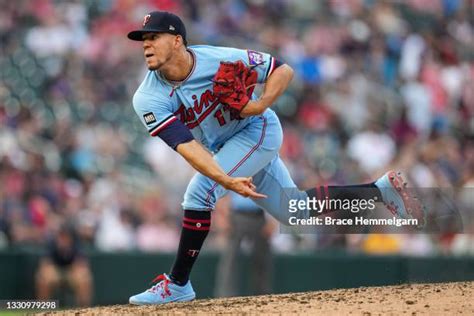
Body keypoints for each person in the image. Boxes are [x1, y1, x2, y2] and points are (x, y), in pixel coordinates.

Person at [126, 11, 423, 305]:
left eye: (154, 37)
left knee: (198, 193)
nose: (146, 45)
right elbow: (187, 146)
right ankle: (380, 190)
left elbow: (283, 70)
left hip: (257, 130)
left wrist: (259, 104)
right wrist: (226, 180)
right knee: (297, 213)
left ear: (177, 40)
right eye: (143, 40)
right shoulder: (147, 98)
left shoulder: (218, 59)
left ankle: (178, 283)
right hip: (226, 148)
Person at [215, 192, 275, 297]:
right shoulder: (233, 174)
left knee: (262, 257)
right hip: (236, 215)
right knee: (231, 258)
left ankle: (262, 294)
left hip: (259, 215)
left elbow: (274, 193)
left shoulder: (264, 175)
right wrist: (223, 217)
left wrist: (272, 220)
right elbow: (221, 191)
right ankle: (226, 295)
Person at [35, 225, 93, 306]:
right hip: (55, 272)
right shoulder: (51, 244)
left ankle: (84, 309)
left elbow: (82, 264)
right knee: (43, 278)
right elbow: (45, 264)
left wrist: (75, 270)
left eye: (66, 236)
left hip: (71, 273)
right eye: (61, 236)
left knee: (84, 277)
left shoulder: (76, 244)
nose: (63, 239)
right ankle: (43, 308)